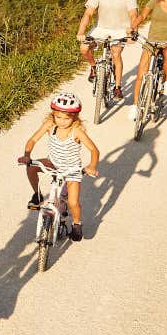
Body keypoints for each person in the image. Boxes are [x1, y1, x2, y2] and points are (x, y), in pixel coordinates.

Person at [17, 92, 100, 242]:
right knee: (31, 167)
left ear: (74, 117)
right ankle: (37, 194)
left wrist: (92, 166)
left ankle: (76, 224)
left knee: (73, 202)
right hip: (53, 164)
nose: (61, 121)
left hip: (72, 170)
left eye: (66, 118)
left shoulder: (77, 132)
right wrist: (27, 155)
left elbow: (94, 150)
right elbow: (32, 140)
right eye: (58, 117)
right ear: (53, 115)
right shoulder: (50, 125)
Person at [77, 0, 138, 101]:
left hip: (120, 30)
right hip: (101, 28)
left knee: (116, 54)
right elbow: (88, 13)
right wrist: (81, 32)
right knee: (84, 48)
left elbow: (133, 14)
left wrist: (133, 30)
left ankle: (117, 87)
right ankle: (94, 67)